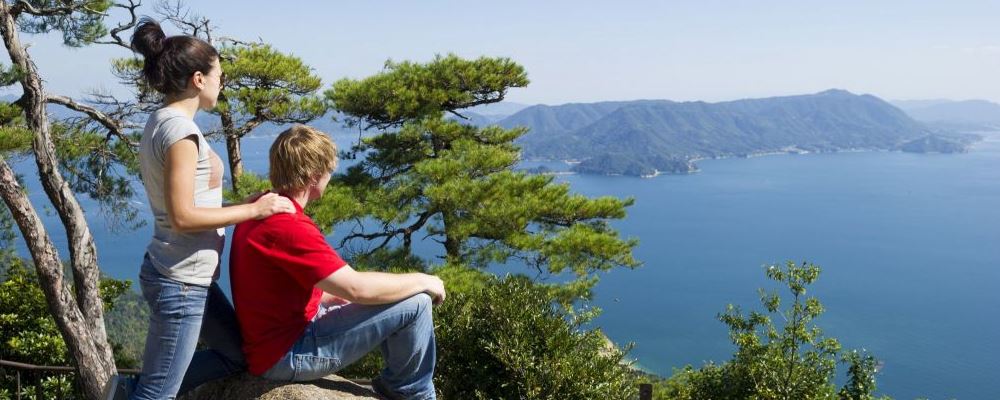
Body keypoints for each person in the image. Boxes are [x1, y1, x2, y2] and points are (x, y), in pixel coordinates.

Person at [110, 18, 296, 400]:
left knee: (239, 354)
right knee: (158, 395)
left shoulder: (161, 120)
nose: (220, 82)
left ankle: (130, 389)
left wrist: (240, 204)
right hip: (181, 282)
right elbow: (183, 216)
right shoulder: (181, 133)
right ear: (198, 79)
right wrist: (254, 213)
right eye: (218, 75)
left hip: (185, 275)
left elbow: (191, 205)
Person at [229, 125, 444, 400]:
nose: (330, 177)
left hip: (274, 341)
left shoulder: (262, 205)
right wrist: (425, 280)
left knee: (394, 293)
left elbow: (282, 285)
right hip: (289, 353)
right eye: (328, 171)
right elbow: (357, 289)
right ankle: (412, 393)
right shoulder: (288, 226)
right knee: (417, 302)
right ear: (313, 176)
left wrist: (328, 298)